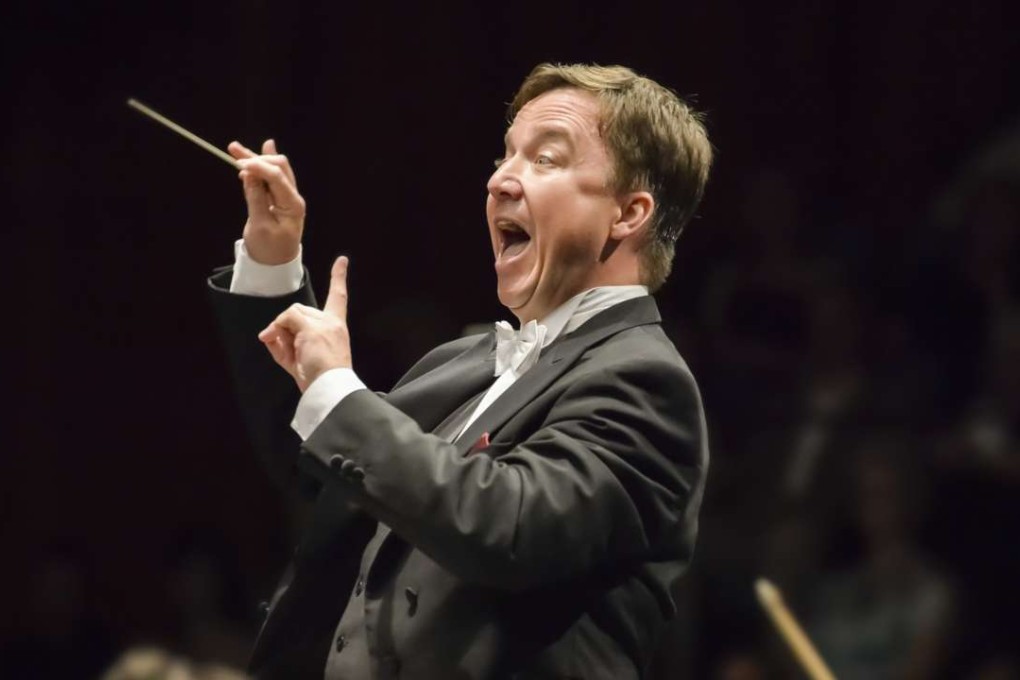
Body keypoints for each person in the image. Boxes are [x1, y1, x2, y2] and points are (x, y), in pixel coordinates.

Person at [209, 63, 712, 679]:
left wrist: (340, 391)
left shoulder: (644, 379)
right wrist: (273, 264)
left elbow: (510, 527)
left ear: (628, 214)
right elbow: (327, 468)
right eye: (506, 157)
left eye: (546, 160)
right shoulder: (464, 360)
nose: (501, 180)